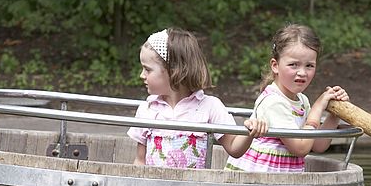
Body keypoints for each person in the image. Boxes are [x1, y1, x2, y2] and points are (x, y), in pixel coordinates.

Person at [128, 28, 267, 169]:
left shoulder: (209, 106)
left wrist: (250, 130)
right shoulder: (148, 109)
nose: (141, 75)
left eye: (148, 69)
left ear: (174, 69)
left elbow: (233, 147)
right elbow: (140, 161)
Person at [225, 23, 349, 173]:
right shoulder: (273, 102)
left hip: (283, 184)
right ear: (275, 65)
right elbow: (301, 148)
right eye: (293, 65)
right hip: (257, 182)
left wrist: (335, 113)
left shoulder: (301, 100)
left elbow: (317, 145)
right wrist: (317, 108)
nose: (302, 72)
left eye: (309, 65)